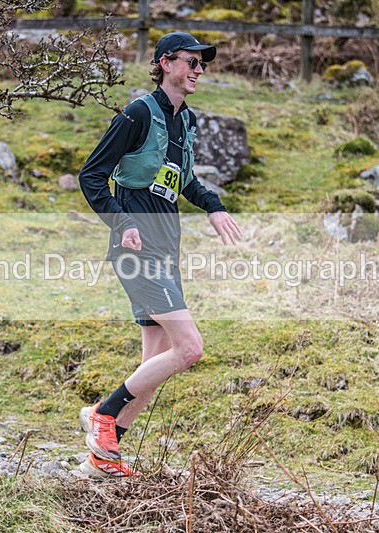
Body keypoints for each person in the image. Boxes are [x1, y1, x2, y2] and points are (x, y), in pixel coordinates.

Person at [77, 32, 242, 478]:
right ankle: (103, 415)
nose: (199, 70)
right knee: (189, 348)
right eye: (191, 61)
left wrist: (214, 206)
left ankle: (102, 457)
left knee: (156, 357)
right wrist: (122, 221)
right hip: (136, 246)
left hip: (166, 245)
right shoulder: (136, 113)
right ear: (165, 63)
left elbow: (183, 179)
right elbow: (91, 175)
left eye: (202, 63)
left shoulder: (185, 120)